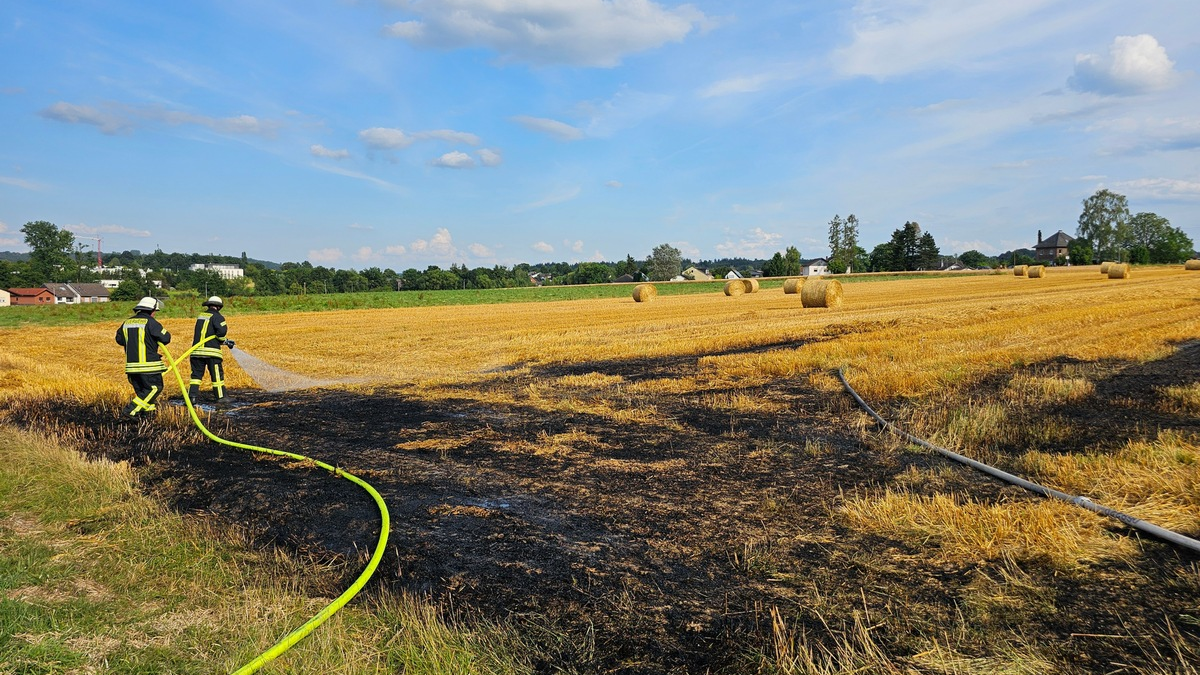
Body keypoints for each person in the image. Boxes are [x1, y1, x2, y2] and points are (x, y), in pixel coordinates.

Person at [115, 296, 171, 418]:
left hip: (132, 368)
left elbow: (119, 339)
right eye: (155, 311)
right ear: (151, 310)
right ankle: (130, 411)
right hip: (148, 366)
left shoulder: (126, 323)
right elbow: (166, 338)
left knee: (143, 393)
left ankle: (147, 416)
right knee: (154, 389)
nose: (155, 314)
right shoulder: (151, 322)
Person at [188, 296, 235, 403]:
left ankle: (192, 397)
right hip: (211, 352)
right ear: (219, 307)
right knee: (217, 375)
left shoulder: (201, 316)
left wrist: (223, 341)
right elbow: (221, 333)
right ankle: (221, 397)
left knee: (196, 376)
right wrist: (226, 341)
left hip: (196, 351)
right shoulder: (218, 317)